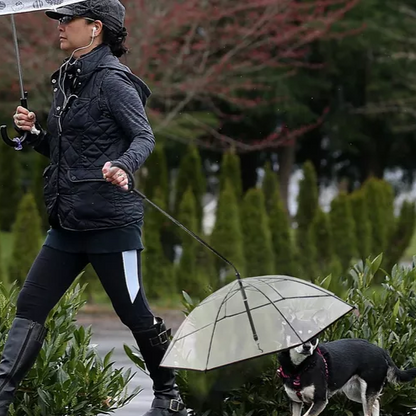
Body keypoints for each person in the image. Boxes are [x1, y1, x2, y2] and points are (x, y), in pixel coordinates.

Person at [0, 1, 187, 415]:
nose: (61, 27)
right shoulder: (67, 78)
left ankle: (169, 395)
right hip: (67, 222)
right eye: (60, 19)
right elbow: (68, 153)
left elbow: (144, 137)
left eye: (68, 20)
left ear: (95, 28)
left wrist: (122, 165)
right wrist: (34, 136)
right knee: (30, 306)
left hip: (111, 224)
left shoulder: (112, 79)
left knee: (134, 314)